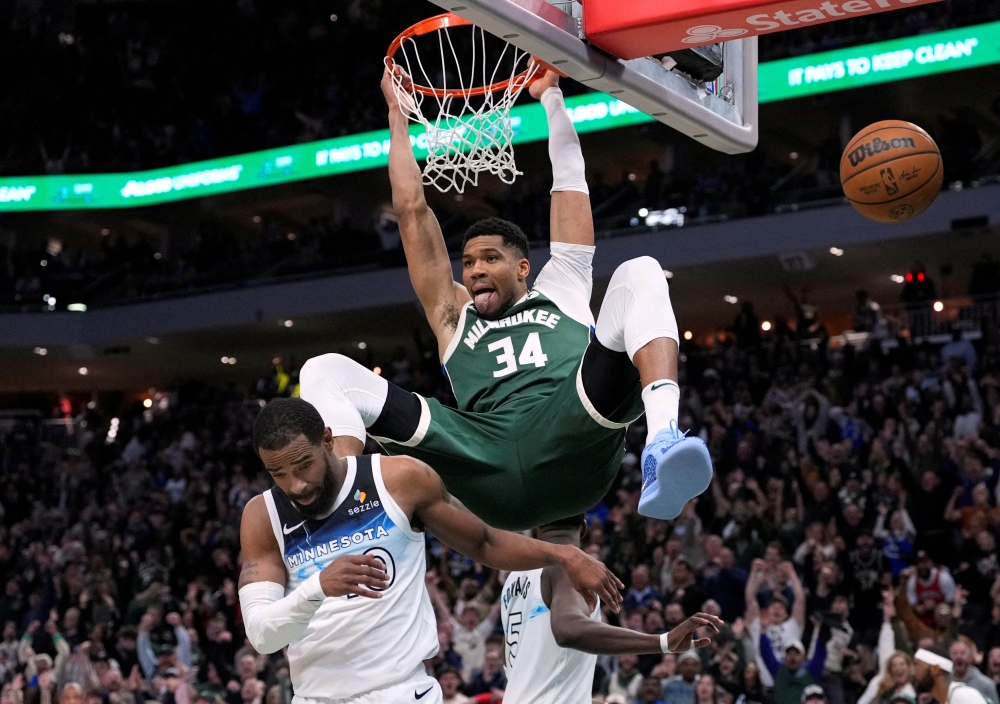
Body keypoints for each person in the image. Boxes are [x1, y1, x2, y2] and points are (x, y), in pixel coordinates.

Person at [298, 66, 713, 530]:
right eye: (468, 262)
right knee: (322, 371)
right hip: (481, 457)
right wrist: (397, 115)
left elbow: (571, 181)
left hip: (572, 431)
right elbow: (411, 210)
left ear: (522, 268)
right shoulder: (453, 315)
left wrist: (551, 97)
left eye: (488, 259)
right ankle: (345, 512)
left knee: (641, 272)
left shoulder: (563, 285)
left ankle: (661, 445)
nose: (474, 269)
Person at [236, 398, 623, 704]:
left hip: (400, 692)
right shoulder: (262, 516)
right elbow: (262, 636)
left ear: (327, 440)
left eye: (303, 466)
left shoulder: (399, 479)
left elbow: (483, 542)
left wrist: (564, 555)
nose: (296, 485)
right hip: (312, 697)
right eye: (278, 473)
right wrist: (318, 586)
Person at [500, 514, 723, 703]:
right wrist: (662, 642)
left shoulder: (514, 579)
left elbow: (510, 654)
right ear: (584, 528)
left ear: (536, 528)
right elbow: (568, 630)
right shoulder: (570, 567)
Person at [759, 636, 827, 704]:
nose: (792, 658)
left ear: (803, 657)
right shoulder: (778, 670)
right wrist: (763, 634)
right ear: (784, 657)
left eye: (796, 653)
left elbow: (820, 655)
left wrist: (821, 641)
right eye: (789, 653)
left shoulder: (811, 671)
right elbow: (766, 652)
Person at [912, 647, 988, 704]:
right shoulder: (950, 698)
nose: (913, 672)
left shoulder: (962, 695)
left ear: (935, 669)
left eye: (918, 665)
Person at [950, 639, 999, 704]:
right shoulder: (945, 681)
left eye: (962, 653)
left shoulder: (987, 685)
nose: (958, 656)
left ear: (970, 658)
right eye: (955, 653)